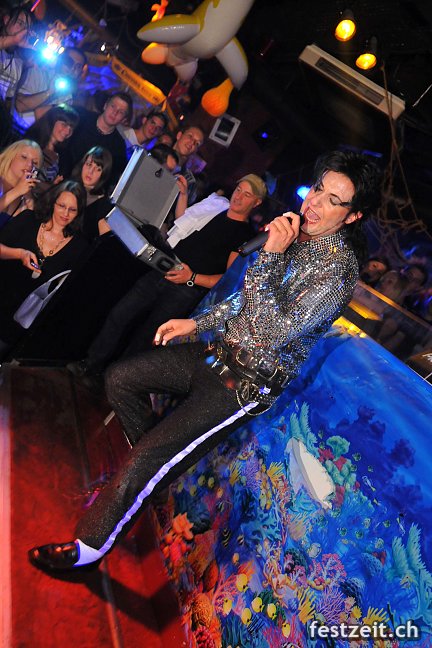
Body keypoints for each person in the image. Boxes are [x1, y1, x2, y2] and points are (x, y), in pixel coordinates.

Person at [28, 150, 382, 571]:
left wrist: (271, 255)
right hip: (219, 352)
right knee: (121, 379)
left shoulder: (338, 271)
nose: (315, 203)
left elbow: (272, 331)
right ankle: (149, 474)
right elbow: (243, 301)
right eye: (317, 189)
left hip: (246, 383)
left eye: (332, 200)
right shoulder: (298, 235)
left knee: (146, 458)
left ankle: (88, 548)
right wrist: (195, 323)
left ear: (353, 215)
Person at [67, 173, 262, 376]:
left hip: (186, 290)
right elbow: (183, 222)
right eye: (238, 190)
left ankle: (116, 378)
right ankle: (90, 364)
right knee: (120, 314)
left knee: (147, 336)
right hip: (163, 269)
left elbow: (228, 280)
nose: (238, 196)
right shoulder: (216, 208)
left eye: (246, 194)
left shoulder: (245, 235)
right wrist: (183, 195)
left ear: (256, 202)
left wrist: (192, 277)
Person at [0, 180, 89, 357]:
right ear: (53, 202)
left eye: (72, 210)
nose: (65, 213)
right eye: (62, 206)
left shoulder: (80, 246)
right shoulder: (28, 220)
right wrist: (19, 254)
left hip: (23, 320)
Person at [60, 91, 132, 188]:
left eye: (121, 112)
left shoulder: (118, 146)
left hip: (81, 190)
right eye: (113, 106)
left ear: (124, 119)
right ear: (105, 105)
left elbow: (109, 179)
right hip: (57, 174)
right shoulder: (81, 117)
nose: (115, 113)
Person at [14, 47, 88, 131]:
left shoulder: (69, 97)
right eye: (69, 62)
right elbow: (20, 106)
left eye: (78, 67)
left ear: (80, 73)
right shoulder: (38, 74)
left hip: (33, 134)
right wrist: (49, 92)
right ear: (60, 60)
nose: (72, 69)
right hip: (14, 126)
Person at [24, 103, 80, 188]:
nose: (67, 131)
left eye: (71, 128)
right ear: (52, 121)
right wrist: (50, 186)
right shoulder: (31, 143)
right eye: (64, 125)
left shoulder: (64, 156)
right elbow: (24, 175)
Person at [71, 145, 113, 241]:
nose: (90, 171)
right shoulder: (68, 187)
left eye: (98, 169)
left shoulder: (103, 205)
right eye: (89, 164)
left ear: (104, 174)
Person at [0, 139, 43, 226]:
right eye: (24, 157)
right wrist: (17, 191)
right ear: (11, 156)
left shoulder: (25, 196)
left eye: (35, 162)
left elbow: (26, 226)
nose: (30, 165)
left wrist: (29, 200)